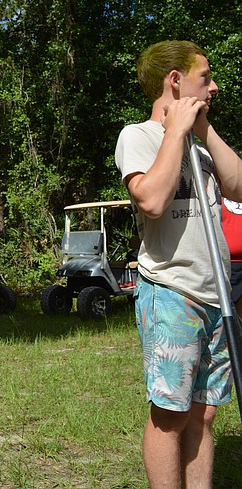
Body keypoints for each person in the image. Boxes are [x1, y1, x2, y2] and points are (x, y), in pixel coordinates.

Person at [114, 40, 241, 488]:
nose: (214, 86)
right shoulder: (138, 135)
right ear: (175, 81)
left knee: (204, 414)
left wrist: (202, 131)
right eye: (205, 77)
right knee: (171, 414)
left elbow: (240, 185)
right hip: (171, 290)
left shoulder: (200, 144)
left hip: (215, 293)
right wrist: (174, 131)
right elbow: (150, 200)